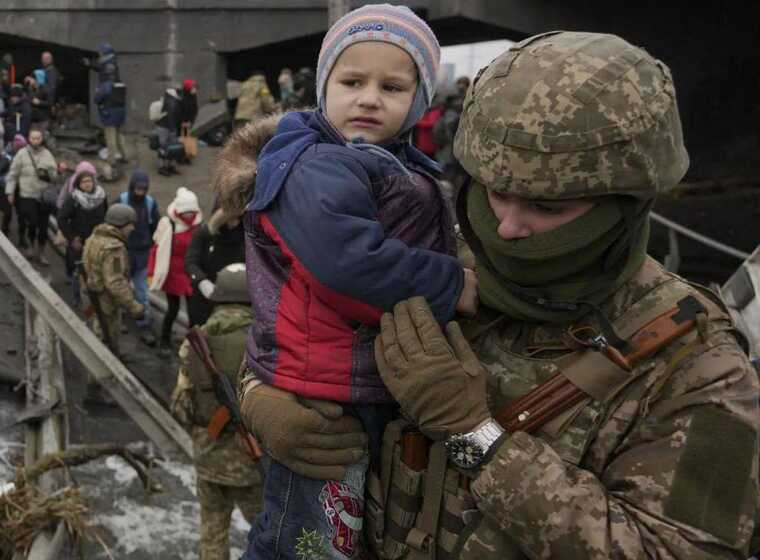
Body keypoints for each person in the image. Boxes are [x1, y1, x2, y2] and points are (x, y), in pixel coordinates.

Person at [240, 31, 760, 559]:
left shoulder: (696, 366)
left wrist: (478, 438)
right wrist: (258, 398)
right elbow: (300, 314)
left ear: (623, 208)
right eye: (496, 193)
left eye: (548, 209)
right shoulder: (442, 262)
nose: (507, 228)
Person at [230, 5, 479, 559]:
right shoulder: (321, 163)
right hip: (324, 393)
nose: (369, 98)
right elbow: (346, 263)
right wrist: (451, 285)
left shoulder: (391, 162)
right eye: (352, 81)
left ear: (418, 100)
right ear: (323, 88)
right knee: (309, 541)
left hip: (356, 379)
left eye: (392, 86)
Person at [170, 263, 263, 560]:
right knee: (269, 536)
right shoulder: (266, 343)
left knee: (212, 534)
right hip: (253, 464)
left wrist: (206, 433)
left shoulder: (195, 343)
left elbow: (180, 407)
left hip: (208, 458)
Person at [81, 203, 145, 387]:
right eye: (130, 224)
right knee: (102, 342)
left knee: (104, 335)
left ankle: (113, 358)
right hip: (105, 302)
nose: (132, 228)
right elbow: (115, 282)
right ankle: (96, 386)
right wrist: (133, 305)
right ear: (121, 224)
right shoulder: (113, 248)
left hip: (93, 297)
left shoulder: (95, 237)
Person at [148, 186, 202, 356]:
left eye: (191, 212)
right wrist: (151, 272)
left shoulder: (199, 225)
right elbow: (157, 250)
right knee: (172, 309)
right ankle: (164, 341)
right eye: (186, 213)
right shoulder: (168, 224)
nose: (189, 216)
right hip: (172, 274)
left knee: (194, 312)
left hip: (190, 273)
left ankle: (193, 344)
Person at [117, 170, 160, 346]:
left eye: (143, 189)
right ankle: (118, 319)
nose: (140, 192)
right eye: (137, 189)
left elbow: (156, 226)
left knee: (142, 291)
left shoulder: (150, 204)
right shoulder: (121, 201)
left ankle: (144, 323)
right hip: (123, 253)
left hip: (142, 253)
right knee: (120, 286)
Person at [184, 205, 245, 327]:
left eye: (237, 219)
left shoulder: (244, 236)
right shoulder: (204, 234)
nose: (234, 223)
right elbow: (191, 261)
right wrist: (202, 282)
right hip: (205, 297)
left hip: (234, 297)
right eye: (230, 219)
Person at [4, 128, 57, 263]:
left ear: (41, 139)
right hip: (26, 195)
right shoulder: (21, 154)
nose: (35, 140)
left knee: (43, 226)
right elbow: (13, 175)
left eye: (38, 138)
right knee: (31, 223)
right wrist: (10, 192)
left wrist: (49, 173)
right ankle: (31, 246)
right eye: (33, 138)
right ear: (29, 138)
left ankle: (41, 252)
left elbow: (54, 176)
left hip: (43, 195)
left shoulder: (47, 154)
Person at [58, 165, 107, 307]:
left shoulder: (101, 197)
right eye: (84, 182)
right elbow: (61, 218)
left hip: (98, 241)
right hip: (80, 241)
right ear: (78, 185)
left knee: (97, 270)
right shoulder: (74, 199)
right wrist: (72, 238)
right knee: (78, 271)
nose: (87, 184)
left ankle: (95, 300)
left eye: (89, 181)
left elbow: (106, 215)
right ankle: (77, 298)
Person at [86, 43, 127, 165]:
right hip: (119, 108)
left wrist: (96, 98)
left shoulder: (107, 75)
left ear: (104, 53)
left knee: (110, 136)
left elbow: (103, 92)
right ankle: (124, 156)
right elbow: (100, 67)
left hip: (109, 109)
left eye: (100, 52)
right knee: (119, 134)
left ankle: (112, 160)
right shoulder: (113, 65)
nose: (99, 54)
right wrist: (90, 64)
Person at [0, 134, 26, 237]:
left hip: (15, 187)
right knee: (7, 212)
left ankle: (5, 229)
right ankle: (4, 231)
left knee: (9, 212)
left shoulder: (19, 156)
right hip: (4, 187)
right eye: (20, 147)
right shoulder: (8, 156)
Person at [154, 86, 184, 176]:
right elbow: (171, 117)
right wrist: (173, 130)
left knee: (170, 147)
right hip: (165, 127)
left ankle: (169, 166)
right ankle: (162, 167)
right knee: (163, 147)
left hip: (168, 127)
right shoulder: (171, 102)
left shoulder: (171, 99)